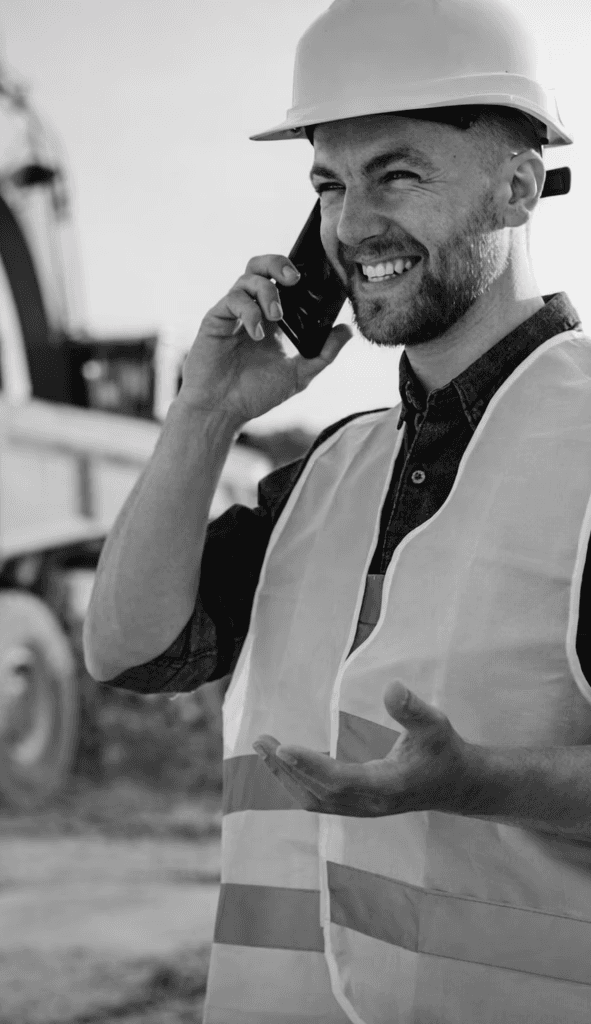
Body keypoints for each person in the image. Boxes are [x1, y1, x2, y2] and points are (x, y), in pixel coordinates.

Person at [83, 0, 591, 1021]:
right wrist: (207, 410)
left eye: (396, 174)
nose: (354, 226)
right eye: (329, 185)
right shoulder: (331, 470)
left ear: (519, 186)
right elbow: (128, 651)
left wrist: (480, 779)